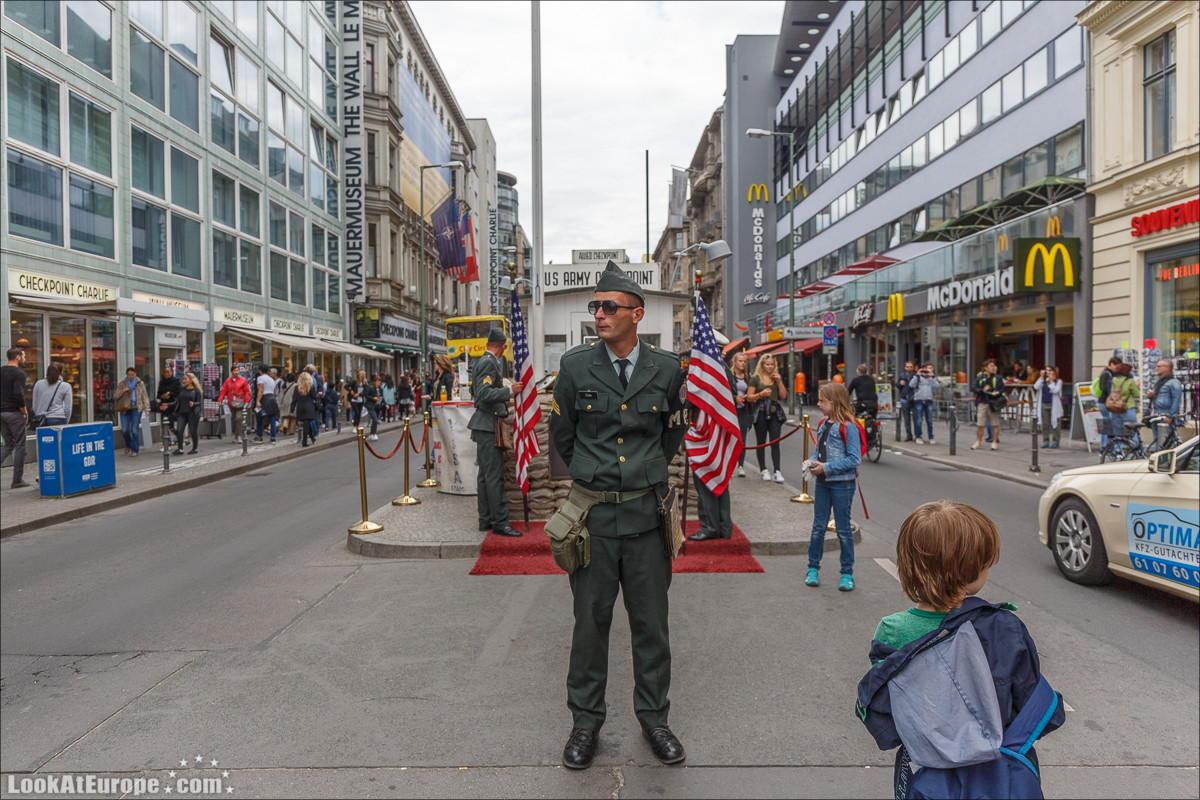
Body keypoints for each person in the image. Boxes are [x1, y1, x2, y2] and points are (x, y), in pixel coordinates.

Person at [549, 261, 689, 771]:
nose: (600, 314)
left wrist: (642, 473)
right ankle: (585, 723)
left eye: (610, 306)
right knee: (590, 627)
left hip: (647, 520)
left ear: (637, 313)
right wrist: (597, 473)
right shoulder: (575, 366)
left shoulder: (667, 369)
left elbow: (672, 431)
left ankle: (655, 720)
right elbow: (563, 435)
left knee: (652, 627)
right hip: (594, 521)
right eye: (596, 306)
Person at [857, 501, 1065, 799]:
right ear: (970, 572)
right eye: (985, 563)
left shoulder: (892, 631)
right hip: (998, 771)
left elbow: (887, 715)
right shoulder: (1003, 627)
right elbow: (1028, 701)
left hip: (925, 769)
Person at [802, 382, 862, 591]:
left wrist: (825, 467)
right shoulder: (823, 423)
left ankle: (847, 573)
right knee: (818, 527)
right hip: (822, 483)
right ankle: (812, 568)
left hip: (843, 485)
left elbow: (854, 458)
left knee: (843, 530)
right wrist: (811, 461)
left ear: (834, 402)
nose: (818, 404)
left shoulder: (848, 426)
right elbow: (818, 450)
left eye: (822, 401)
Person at [469, 329, 523, 538]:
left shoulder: (483, 362)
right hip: (488, 425)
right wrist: (509, 391)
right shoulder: (489, 363)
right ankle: (500, 522)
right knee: (494, 477)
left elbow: (476, 391)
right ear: (502, 346)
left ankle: (485, 519)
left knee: (485, 476)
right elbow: (483, 394)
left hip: (485, 424)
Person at [687, 357, 736, 542]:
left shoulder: (705, 366)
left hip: (706, 430)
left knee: (704, 477)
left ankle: (710, 526)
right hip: (718, 427)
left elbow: (692, 398)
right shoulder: (722, 367)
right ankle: (723, 525)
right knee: (720, 477)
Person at [748, 354, 787, 483]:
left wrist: (779, 382)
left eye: (772, 364)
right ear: (762, 365)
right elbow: (749, 397)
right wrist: (761, 394)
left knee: (775, 442)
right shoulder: (756, 378)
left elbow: (783, 396)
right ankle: (763, 469)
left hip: (774, 412)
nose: (770, 367)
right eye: (767, 364)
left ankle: (777, 470)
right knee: (761, 442)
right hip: (761, 411)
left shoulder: (776, 378)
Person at [1, 347, 30, 488]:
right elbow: (18, 394)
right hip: (14, 413)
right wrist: (24, 410)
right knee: (20, 446)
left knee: (8, 444)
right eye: (23, 356)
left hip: (1, 413)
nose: (25, 358)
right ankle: (17, 480)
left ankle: (17, 480)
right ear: (17, 357)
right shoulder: (19, 373)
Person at [113, 367, 151, 456]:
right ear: (126, 375)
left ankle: (135, 450)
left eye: (133, 375)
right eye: (129, 375)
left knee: (134, 430)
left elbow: (145, 396)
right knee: (125, 430)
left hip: (136, 408)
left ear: (135, 374)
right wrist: (124, 390)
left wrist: (147, 409)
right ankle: (128, 444)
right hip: (125, 409)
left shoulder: (140, 384)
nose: (131, 376)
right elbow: (115, 396)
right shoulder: (122, 384)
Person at [1146, 358, 1183, 448]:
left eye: (1159, 366)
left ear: (1167, 368)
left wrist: (1170, 416)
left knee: (1166, 442)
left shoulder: (1174, 382)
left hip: (1165, 416)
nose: (1156, 368)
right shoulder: (1159, 382)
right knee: (1157, 441)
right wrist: (1152, 395)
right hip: (1156, 415)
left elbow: (1176, 400)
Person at [1104, 359, 1141, 447]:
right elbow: (1136, 394)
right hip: (1127, 408)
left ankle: (1118, 450)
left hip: (1114, 408)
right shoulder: (1129, 380)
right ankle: (1135, 449)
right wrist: (1136, 386)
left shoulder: (1112, 379)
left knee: (1117, 431)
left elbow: (1108, 391)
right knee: (1134, 430)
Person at [971, 359, 1005, 451]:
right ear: (986, 368)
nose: (993, 368)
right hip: (982, 402)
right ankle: (978, 442)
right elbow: (974, 388)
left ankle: (994, 442)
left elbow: (1002, 389)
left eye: (994, 366)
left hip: (993, 403)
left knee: (995, 424)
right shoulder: (980, 378)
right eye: (991, 366)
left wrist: (997, 392)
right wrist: (983, 390)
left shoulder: (998, 378)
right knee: (980, 424)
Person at [217, 365, 252, 445]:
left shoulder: (243, 380)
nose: (236, 372)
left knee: (238, 418)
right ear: (231, 371)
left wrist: (247, 401)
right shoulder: (228, 381)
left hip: (240, 402)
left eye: (237, 370)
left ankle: (239, 436)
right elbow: (223, 391)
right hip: (232, 403)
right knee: (235, 419)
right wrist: (220, 400)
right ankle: (237, 436)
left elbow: (247, 391)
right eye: (234, 370)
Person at [730, 352, 752, 478]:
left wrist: (749, 397)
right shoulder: (730, 376)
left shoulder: (747, 377)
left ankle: (740, 466)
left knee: (742, 440)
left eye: (744, 361)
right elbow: (724, 392)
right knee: (731, 439)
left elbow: (752, 391)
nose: (742, 363)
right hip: (732, 411)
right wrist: (735, 398)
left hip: (744, 411)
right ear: (735, 362)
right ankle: (730, 466)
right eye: (740, 361)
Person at [1033, 366, 1063, 449]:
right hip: (1044, 403)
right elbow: (1036, 386)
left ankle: (1055, 441)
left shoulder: (1058, 381)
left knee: (1055, 424)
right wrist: (1041, 377)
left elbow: (1055, 390)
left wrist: (1051, 381)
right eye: (1046, 370)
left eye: (1050, 370)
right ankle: (1045, 440)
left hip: (1054, 405)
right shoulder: (1043, 381)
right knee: (1045, 424)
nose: (1048, 372)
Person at [172, 373, 202, 455]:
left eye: (185, 379)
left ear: (191, 380)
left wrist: (194, 403)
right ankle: (180, 449)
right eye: (183, 379)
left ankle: (195, 448)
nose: (184, 380)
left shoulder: (196, 390)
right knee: (179, 430)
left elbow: (199, 402)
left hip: (192, 413)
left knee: (192, 431)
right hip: (182, 413)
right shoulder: (182, 389)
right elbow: (177, 401)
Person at [291, 371, 320, 447]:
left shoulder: (297, 388)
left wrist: (292, 408)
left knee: (307, 423)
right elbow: (314, 396)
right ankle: (304, 441)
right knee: (306, 424)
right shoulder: (310, 387)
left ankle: (312, 437)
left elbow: (294, 399)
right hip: (309, 407)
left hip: (300, 407)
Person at [911, 363, 937, 445]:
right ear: (923, 368)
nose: (930, 369)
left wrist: (933, 377)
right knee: (919, 420)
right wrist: (917, 375)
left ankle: (931, 436)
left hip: (928, 400)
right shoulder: (918, 377)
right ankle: (918, 436)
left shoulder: (931, 378)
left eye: (931, 368)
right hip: (919, 400)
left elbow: (937, 386)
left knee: (929, 420)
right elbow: (911, 385)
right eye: (929, 368)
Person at [254, 363, 278, 444]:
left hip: (264, 398)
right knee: (272, 418)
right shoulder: (271, 379)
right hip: (271, 399)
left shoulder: (260, 378)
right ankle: (273, 438)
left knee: (260, 418)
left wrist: (257, 401)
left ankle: (259, 436)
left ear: (260, 371)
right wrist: (274, 399)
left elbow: (260, 390)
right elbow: (275, 392)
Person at [896, 361, 917, 442]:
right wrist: (900, 384)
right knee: (906, 418)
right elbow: (897, 385)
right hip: (904, 398)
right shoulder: (902, 375)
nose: (909, 368)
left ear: (913, 368)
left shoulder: (916, 375)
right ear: (905, 368)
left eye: (911, 367)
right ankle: (909, 435)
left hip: (914, 398)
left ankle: (917, 435)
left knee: (916, 418)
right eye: (907, 367)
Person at [363, 373, 383, 440]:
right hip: (371, 405)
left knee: (375, 420)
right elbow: (366, 395)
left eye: (380, 381)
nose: (379, 382)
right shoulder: (371, 388)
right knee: (374, 419)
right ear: (375, 381)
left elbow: (382, 397)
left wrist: (385, 404)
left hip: (377, 406)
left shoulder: (380, 389)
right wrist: (373, 398)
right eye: (378, 381)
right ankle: (374, 434)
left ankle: (372, 433)